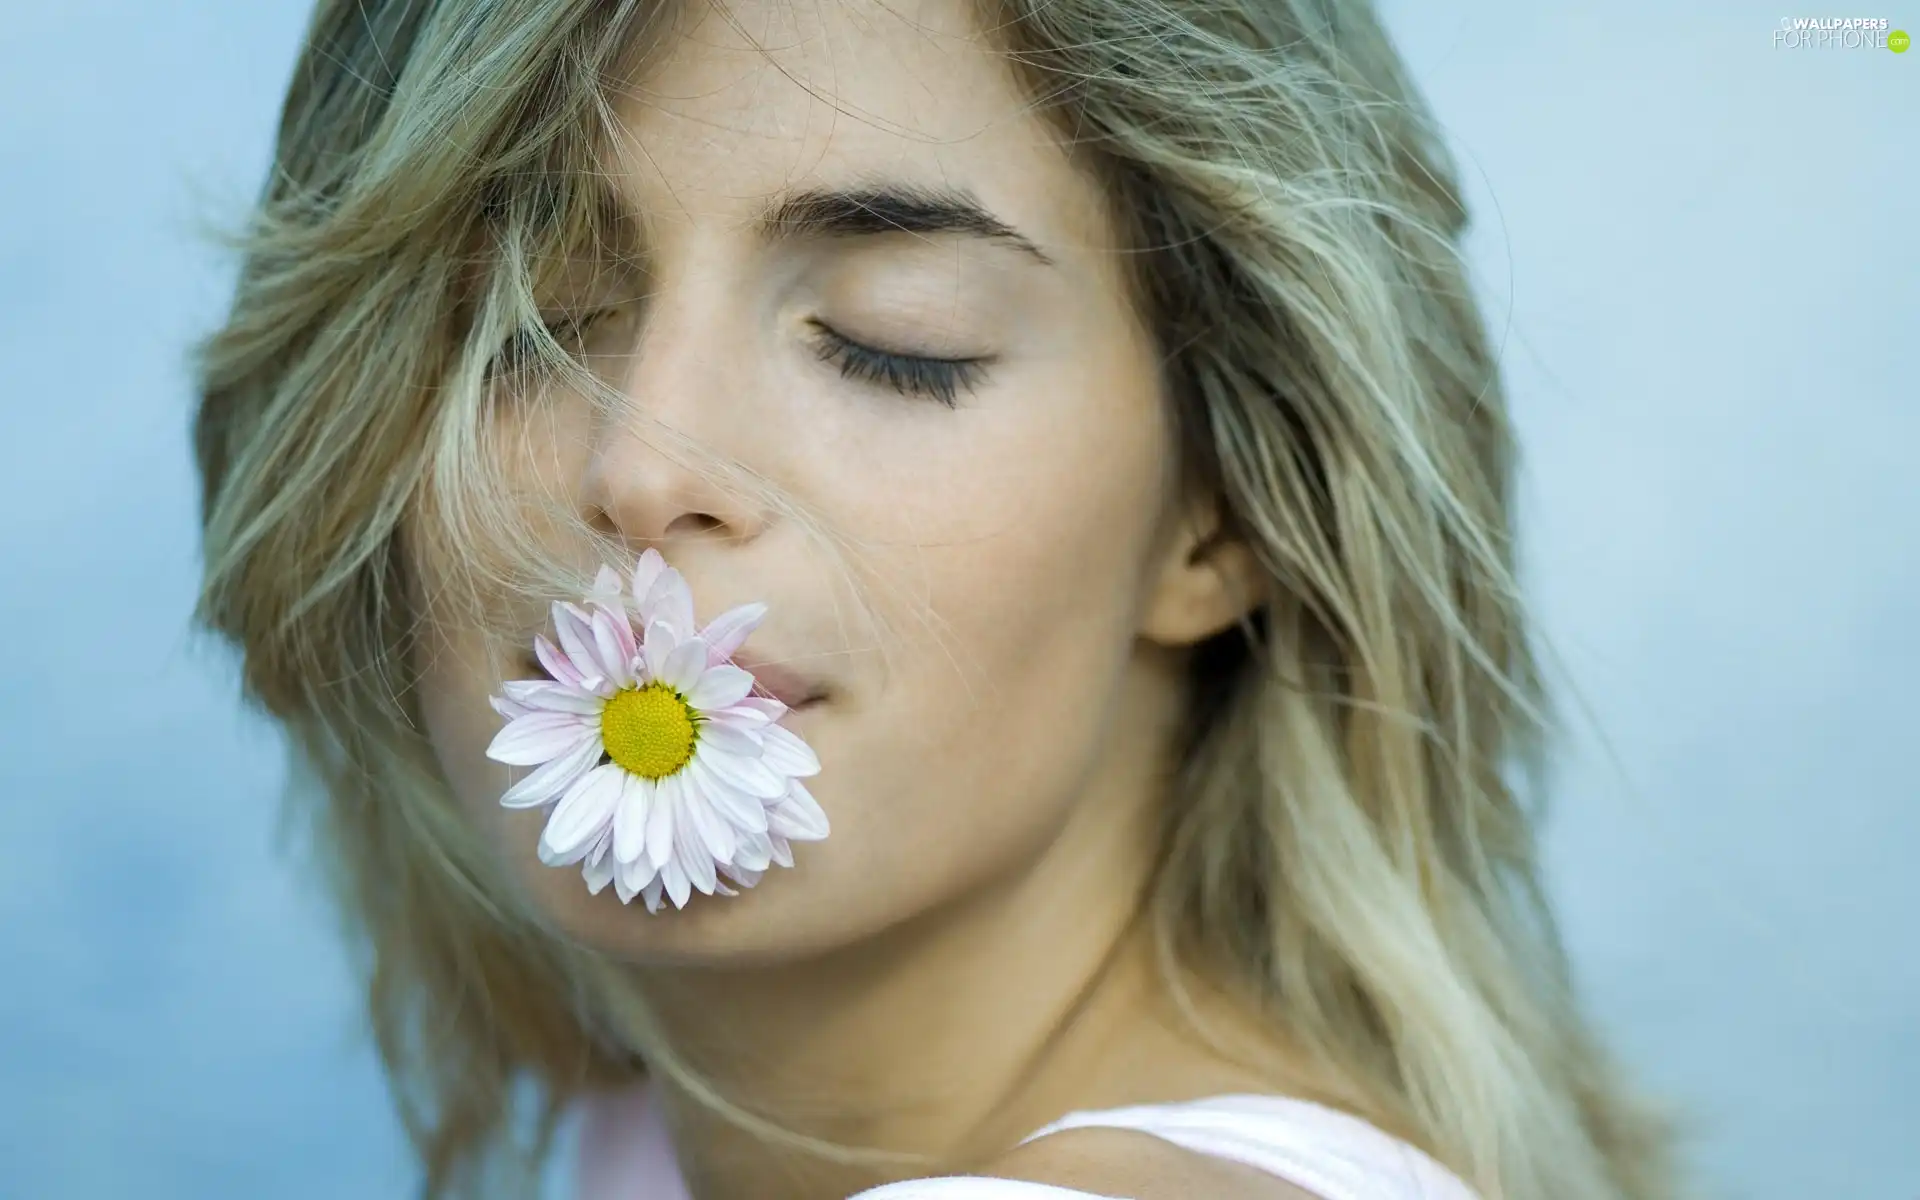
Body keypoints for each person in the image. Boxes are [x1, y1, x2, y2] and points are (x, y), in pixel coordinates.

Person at [190, 0, 1686, 1197]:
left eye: (893, 341)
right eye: (535, 319)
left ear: (1218, 513)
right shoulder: (647, 1128)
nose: (643, 465)